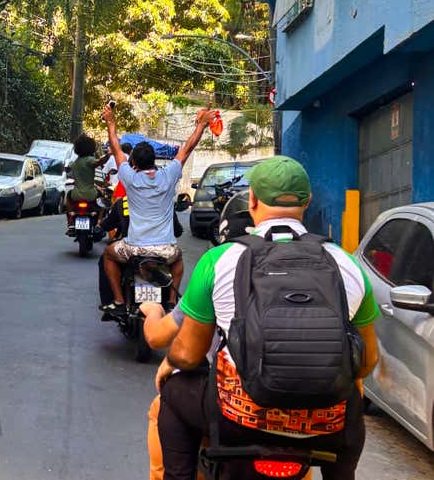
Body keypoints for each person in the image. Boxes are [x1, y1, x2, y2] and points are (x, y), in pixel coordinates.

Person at [155, 156, 381, 480]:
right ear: (307, 201)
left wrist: (170, 364)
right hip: (324, 426)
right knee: (352, 410)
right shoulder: (347, 265)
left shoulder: (219, 260)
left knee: (175, 393)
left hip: (238, 421)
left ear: (252, 200)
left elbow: (189, 355)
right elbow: (367, 362)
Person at [101, 105, 216, 309]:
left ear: (133, 162)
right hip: (165, 249)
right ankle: (172, 302)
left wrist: (111, 122)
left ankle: (118, 300)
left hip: (134, 248)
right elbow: (187, 148)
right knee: (178, 259)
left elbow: (116, 149)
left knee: (109, 254)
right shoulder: (169, 174)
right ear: (154, 160)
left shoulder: (129, 177)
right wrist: (202, 125)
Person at [66, 134, 109, 232]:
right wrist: (108, 156)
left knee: (68, 196)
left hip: (76, 195)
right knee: (103, 198)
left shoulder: (75, 162)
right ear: (90, 148)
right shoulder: (89, 160)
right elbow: (99, 162)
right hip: (91, 194)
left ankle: (70, 223)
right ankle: (99, 222)